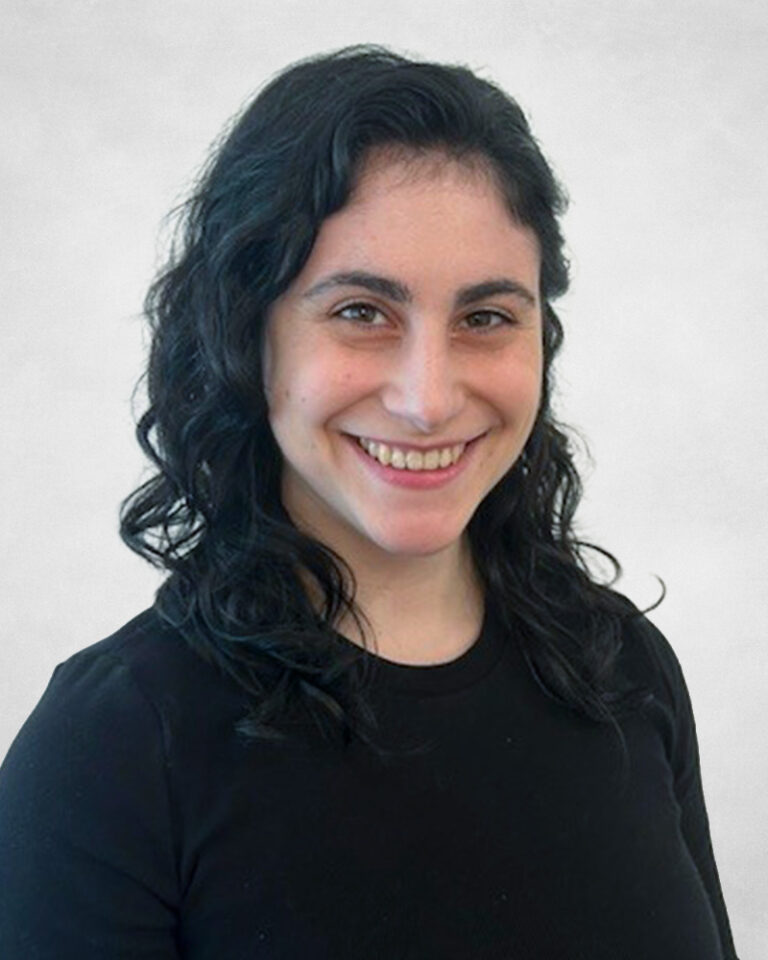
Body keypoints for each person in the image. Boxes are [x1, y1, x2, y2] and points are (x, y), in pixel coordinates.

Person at [0, 44, 739, 959]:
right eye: (360, 311)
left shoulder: (624, 664)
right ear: (246, 335)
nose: (427, 397)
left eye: (486, 317)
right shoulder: (109, 749)